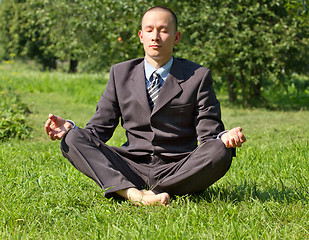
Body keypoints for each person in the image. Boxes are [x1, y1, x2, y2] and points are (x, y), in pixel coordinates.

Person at [45, 6, 246, 206]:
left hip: (178, 167)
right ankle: (134, 194)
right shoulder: (120, 73)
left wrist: (224, 137)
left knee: (220, 151)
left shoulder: (198, 76)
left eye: (163, 30)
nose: (155, 37)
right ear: (141, 36)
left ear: (176, 37)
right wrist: (71, 129)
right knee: (72, 139)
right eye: (149, 30)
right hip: (130, 166)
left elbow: (209, 133)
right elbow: (98, 130)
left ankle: (156, 191)